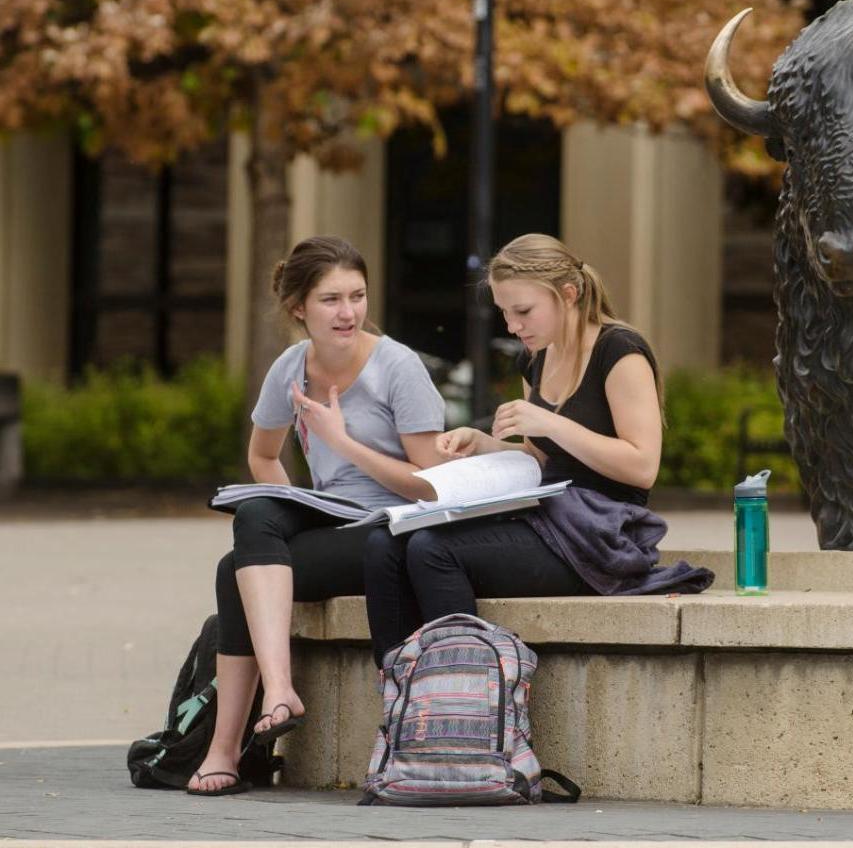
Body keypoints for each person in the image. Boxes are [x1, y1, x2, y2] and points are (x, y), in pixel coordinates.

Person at [364, 234, 712, 663]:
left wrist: (551, 422)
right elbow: (538, 459)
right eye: (505, 313)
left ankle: (468, 693)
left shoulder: (619, 352)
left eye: (523, 311)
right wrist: (482, 445)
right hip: (546, 515)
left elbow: (642, 467)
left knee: (433, 550)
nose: (512, 326)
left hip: (601, 534)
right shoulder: (535, 359)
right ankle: (403, 692)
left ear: (568, 294)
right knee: (384, 545)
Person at [187, 236, 446, 795]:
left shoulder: (398, 368)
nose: (348, 312)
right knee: (256, 515)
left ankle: (226, 750)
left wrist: (342, 442)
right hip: (332, 518)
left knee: (233, 572)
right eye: (331, 299)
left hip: (390, 530)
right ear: (299, 307)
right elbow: (262, 455)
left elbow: (432, 485)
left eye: (357, 296)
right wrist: (294, 504)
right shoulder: (289, 367)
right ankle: (275, 695)